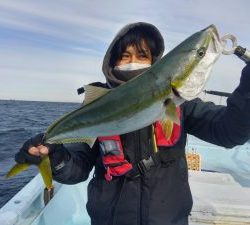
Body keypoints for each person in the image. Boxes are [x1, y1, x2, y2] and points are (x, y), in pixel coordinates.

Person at [15, 22, 250, 225]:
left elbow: (230, 132)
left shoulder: (182, 104)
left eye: (142, 55)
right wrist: (55, 157)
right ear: (113, 61)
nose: (133, 62)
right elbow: (76, 169)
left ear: (156, 62)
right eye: (125, 56)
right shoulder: (98, 106)